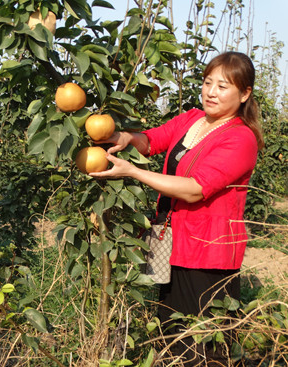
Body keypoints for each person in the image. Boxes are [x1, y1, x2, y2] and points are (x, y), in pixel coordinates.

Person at [89, 51, 264, 366]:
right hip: (166, 240)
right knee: (170, 330)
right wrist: (124, 136)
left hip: (207, 253)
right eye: (208, 82)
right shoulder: (192, 118)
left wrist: (133, 171)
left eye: (223, 86)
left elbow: (196, 189)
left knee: (207, 342)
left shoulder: (241, 139)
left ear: (244, 93)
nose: (211, 92)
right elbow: (153, 141)